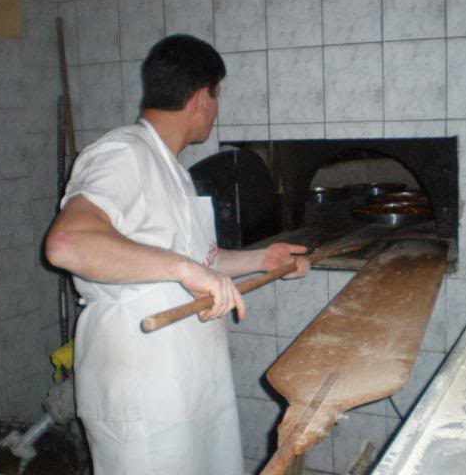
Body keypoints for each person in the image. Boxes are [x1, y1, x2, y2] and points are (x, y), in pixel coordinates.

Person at [45, 34, 310, 474]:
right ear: (203, 98)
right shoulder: (123, 153)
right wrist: (185, 269)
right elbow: (67, 243)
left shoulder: (171, 169)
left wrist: (262, 259)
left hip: (185, 380)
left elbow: (196, 262)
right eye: (217, 96)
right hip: (141, 382)